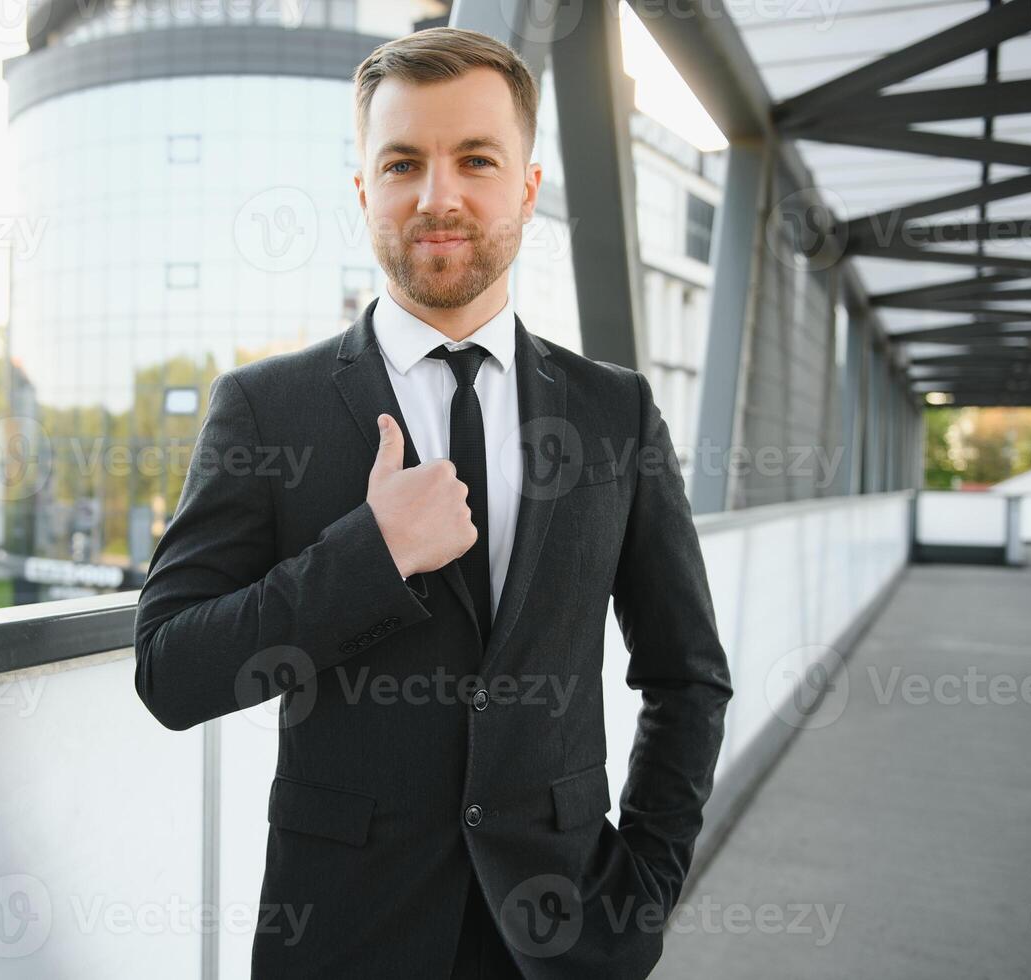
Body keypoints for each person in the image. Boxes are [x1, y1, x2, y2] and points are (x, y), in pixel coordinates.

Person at [134, 26, 732, 979]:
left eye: (476, 160)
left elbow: (687, 674)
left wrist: (644, 889)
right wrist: (367, 556)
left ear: (527, 189)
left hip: (565, 934)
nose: (437, 195)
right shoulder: (264, 408)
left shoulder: (614, 411)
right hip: (343, 937)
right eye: (403, 161)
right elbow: (171, 671)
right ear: (364, 189)